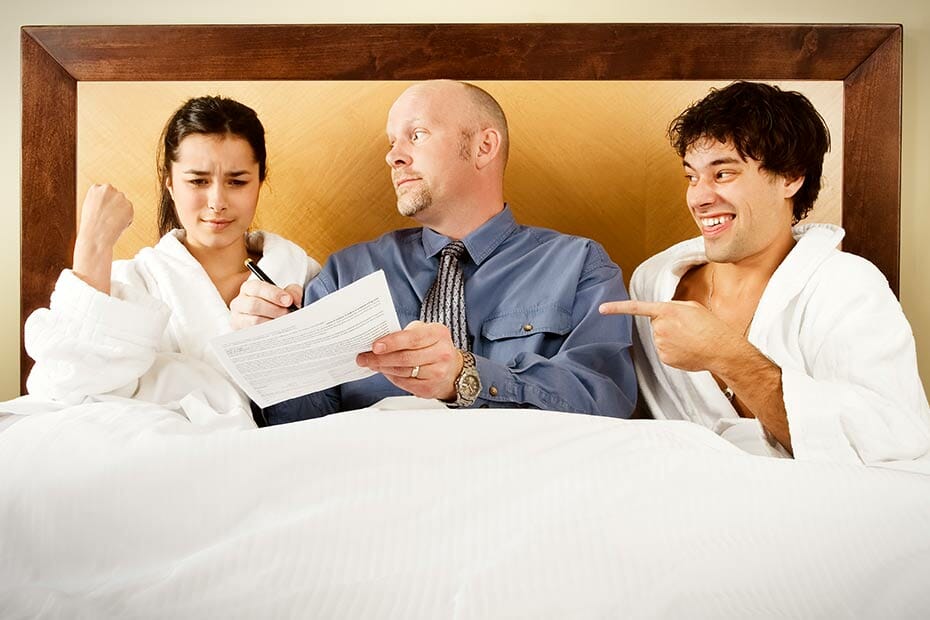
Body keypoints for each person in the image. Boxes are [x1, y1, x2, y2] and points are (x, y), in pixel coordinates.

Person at [231, 80, 636, 424]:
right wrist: (273, 352)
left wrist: (466, 376)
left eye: (417, 134)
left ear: (483, 147)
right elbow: (302, 429)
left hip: (523, 489)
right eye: (392, 142)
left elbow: (606, 402)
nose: (393, 156)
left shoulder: (579, 265)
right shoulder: (346, 272)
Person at [600, 81, 930, 464]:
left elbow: (896, 439)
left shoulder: (846, 286)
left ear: (790, 177)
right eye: (691, 176)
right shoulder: (654, 281)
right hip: (686, 507)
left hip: (810, 511)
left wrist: (727, 356)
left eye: (723, 174)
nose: (699, 197)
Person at [19, 96, 320, 426]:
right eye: (198, 181)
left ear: (260, 181)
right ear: (170, 184)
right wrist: (93, 244)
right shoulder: (129, 284)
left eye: (237, 181)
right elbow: (63, 389)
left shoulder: (300, 275)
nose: (217, 201)